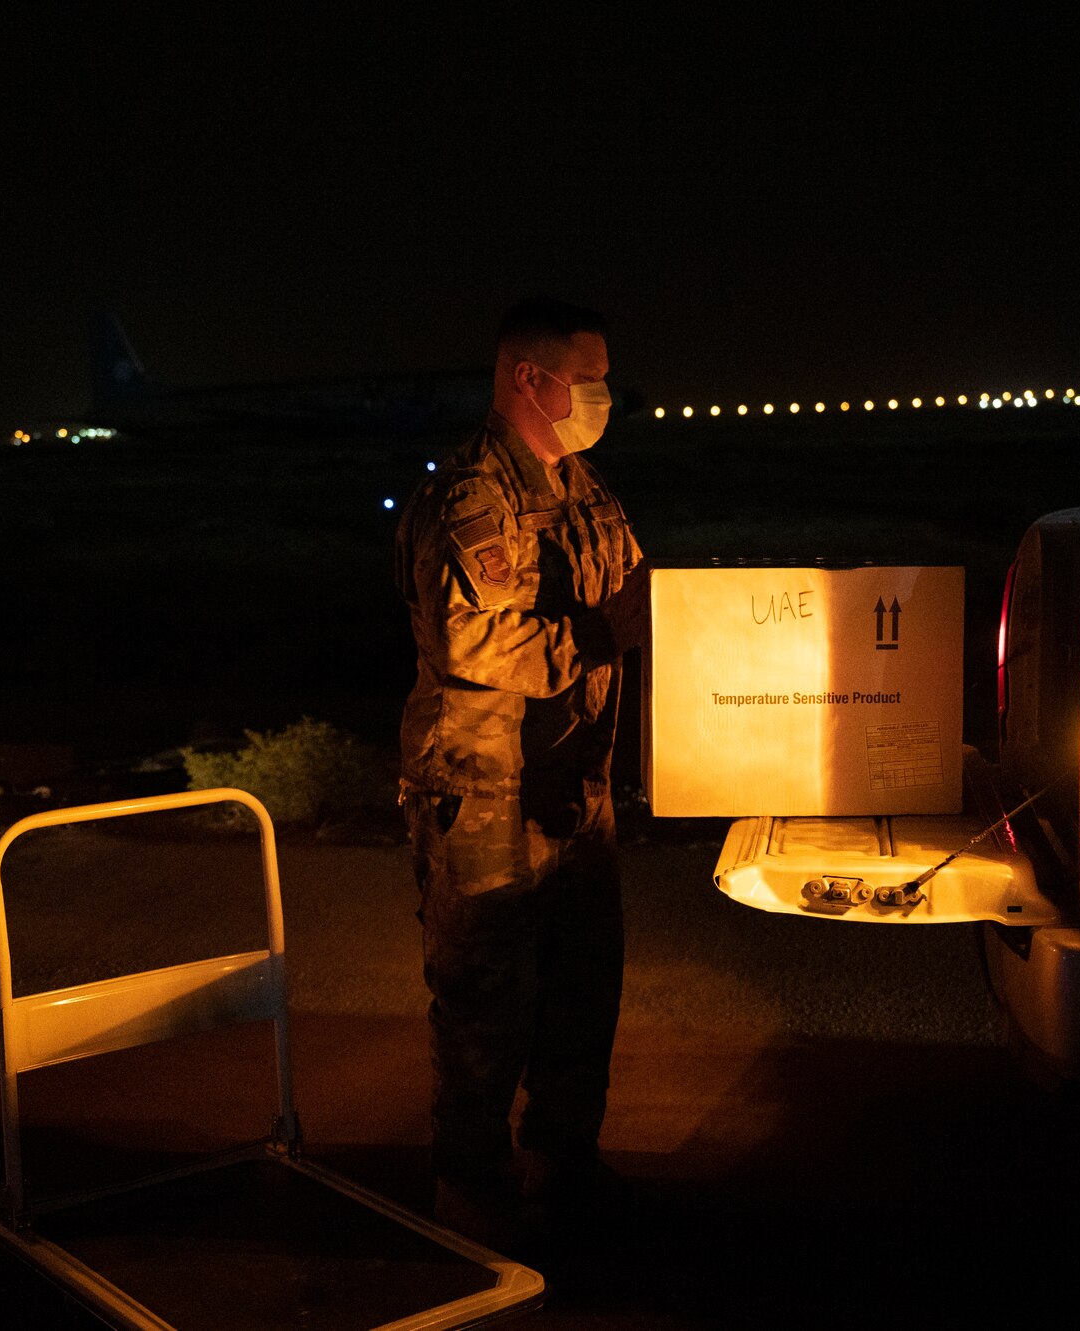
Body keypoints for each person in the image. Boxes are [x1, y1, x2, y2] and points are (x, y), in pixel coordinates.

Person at [393, 296, 648, 1245]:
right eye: (587, 380)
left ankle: (561, 1169)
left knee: (585, 989)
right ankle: (469, 1200)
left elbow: (635, 593)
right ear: (527, 380)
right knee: (483, 1008)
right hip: (486, 787)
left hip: (572, 784)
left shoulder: (587, 490)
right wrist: (594, 634)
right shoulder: (469, 496)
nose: (601, 397)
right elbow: (472, 638)